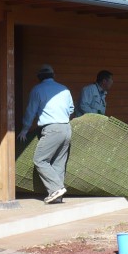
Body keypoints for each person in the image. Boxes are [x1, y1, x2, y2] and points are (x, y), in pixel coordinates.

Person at [18, 64, 74, 204]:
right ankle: (56, 196)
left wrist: (24, 130)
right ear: (53, 76)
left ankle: (56, 188)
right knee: (58, 164)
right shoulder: (64, 89)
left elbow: (31, 112)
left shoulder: (37, 90)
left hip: (51, 129)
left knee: (40, 160)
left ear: (39, 78)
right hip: (66, 128)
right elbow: (71, 109)